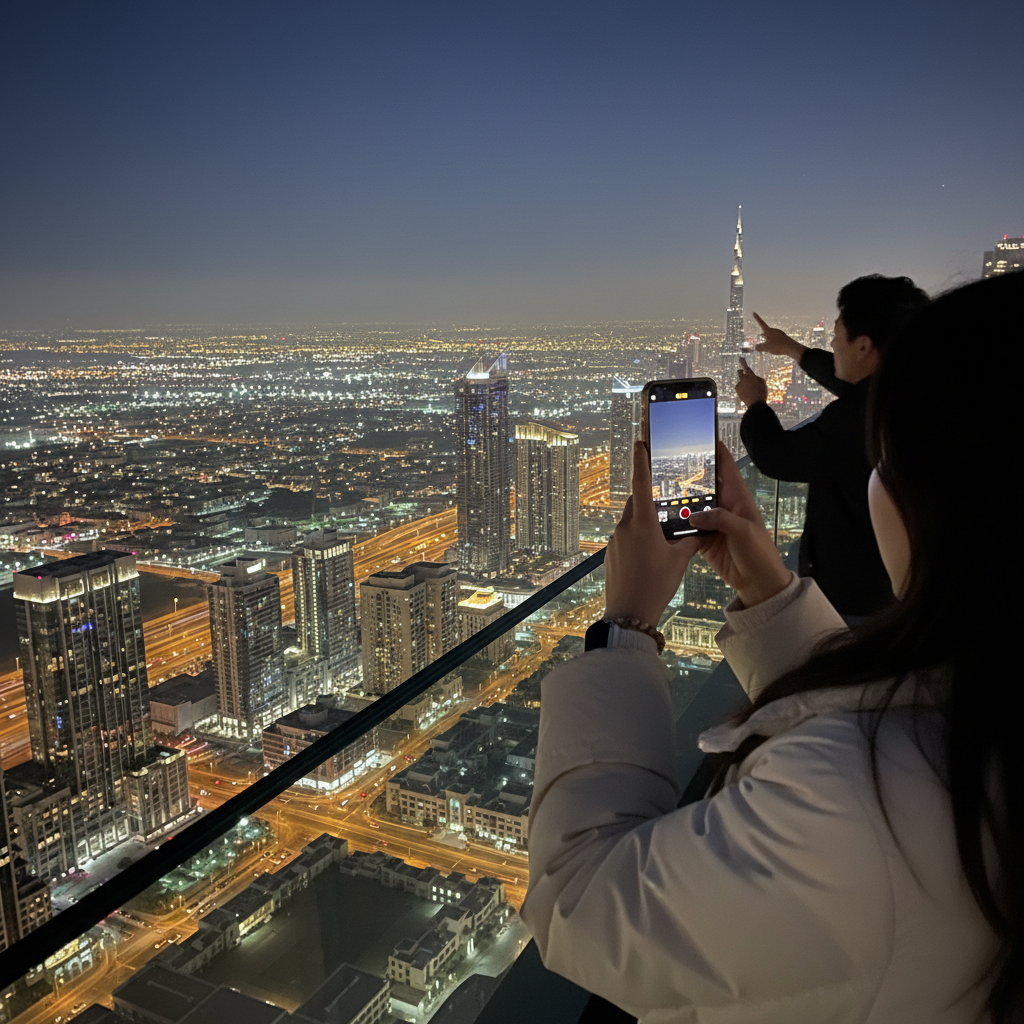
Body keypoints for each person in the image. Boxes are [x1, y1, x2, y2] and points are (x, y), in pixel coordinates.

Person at [521, 273, 1021, 1023]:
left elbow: (579, 902)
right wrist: (771, 594)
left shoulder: (865, 811)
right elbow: (898, 724)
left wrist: (624, 626)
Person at [735, 275, 929, 618]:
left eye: (836, 335)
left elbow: (777, 457)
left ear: (863, 346)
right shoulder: (912, 394)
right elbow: (851, 381)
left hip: (854, 599)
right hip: (895, 585)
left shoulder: (857, 420)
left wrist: (756, 404)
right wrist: (793, 349)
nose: (833, 344)